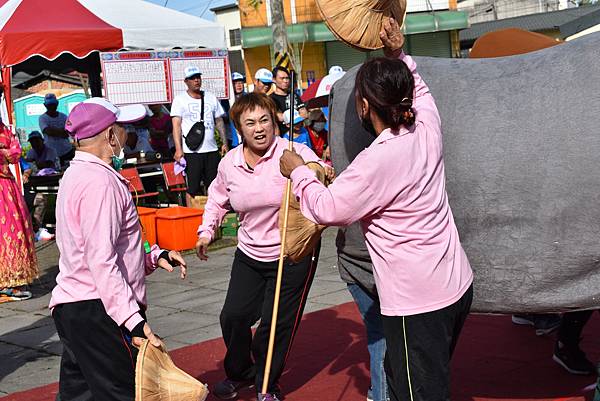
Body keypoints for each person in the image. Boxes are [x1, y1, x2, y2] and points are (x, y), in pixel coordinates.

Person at [279, 19, 473, 401]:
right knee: (429, 381)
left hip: (417, 305)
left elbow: (326, 208)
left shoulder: (376, 162)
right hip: (456, 287)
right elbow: (422, 91)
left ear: (364, 106)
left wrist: (299, 172)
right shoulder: (427, 127)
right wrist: (399, 53)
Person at [195, 93, 333, 401]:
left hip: (292, 253)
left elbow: (318, 170)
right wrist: (207, 231)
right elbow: (217, 198)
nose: (259, 128)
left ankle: (266, 385)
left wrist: (316, 170)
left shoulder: (292, 152)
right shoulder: (229, 163)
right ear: (239, 129)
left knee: (275, 325)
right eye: (250, 123)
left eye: (265, 120)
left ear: (275, 122)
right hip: (250, 252)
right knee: (233, 316)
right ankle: (240, 373)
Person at [49, 97, 187, 401]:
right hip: (99, 308)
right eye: (122, 128)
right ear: (110, 136)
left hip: (75, 305)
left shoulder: (76, 174)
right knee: (123, 393)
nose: (127, 133)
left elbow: (98, 247)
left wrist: (152, 257)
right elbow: (101, 260)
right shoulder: (100, 183)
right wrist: (133, 320)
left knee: (79, 394)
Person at [171, 66, 228, 204]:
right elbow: (176, 126)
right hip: (192, 151)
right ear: (186, 81)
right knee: (193, 187)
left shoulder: (210, 97)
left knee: (214, 185)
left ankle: (215, 214)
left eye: (198, 77)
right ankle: (192, 215)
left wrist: (224, 142)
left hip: (212, 149)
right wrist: (178, 149)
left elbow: (219, 121)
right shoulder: (180, 100)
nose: (196, 80)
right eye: (192, 78)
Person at [0, 120, 38, 302]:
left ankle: (14, 281)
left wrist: (4, 151)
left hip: (6, 185)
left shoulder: (6, 130)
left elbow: (15, 153)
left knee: (14, 230)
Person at [24, 130, 58, 240]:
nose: (34, 143)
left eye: (36, 140)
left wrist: (35, 164)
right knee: (38, 198)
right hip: (35, 181)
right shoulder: (30, 152)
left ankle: (37, 228)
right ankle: (33, 228)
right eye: (32, 141)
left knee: (42, 198)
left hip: (51, 178)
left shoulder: (50, 151)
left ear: (42, 140)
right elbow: (31, 166)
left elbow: (47, 164)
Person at [38, 93, 74, 166]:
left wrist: (54, 131)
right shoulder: (42, 118)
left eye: (53, 104)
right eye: (49, 105)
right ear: (45, 105)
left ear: (57, 104)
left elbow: (68, 132)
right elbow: (47, 131)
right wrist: (61, 131)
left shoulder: (64, 116)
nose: (51, 106)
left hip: (67, 151)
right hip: (51, 154)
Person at [269, 66, 307, 135]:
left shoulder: (294, 95)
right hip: (283, 137)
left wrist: (286, 117)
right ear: (274, 80)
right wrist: (296, 116)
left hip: (300, 135)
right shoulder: (271, 99)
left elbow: (304, 113)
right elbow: (277, 117)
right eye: (282, 78)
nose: (285, 81)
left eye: (287, 78)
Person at [228, 72, 247, 148]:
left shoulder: (248, 97)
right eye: (235, 83)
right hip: (232, 138)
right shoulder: (227, 100)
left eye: (240, 82)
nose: (239, 85)